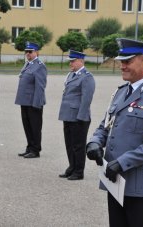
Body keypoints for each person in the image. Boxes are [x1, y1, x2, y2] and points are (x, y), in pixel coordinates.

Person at [86, 38, 143, 227]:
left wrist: (123, 162)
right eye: (121, 61)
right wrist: (94, 142)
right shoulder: (121, 92)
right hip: (115, 180)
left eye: (127, 61)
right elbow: (105, 125)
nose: (122, 66)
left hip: (139, 183)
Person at [58, 50, 95, 180]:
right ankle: (72, 167)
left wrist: (81, 117)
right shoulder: (71, 75)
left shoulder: (87, 77)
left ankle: (79, 171)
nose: (71, 63)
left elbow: (86, 99)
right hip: (68, 115)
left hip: (79, 117)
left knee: (78, 146)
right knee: (69, 144)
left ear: (81, 61)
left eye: (73, 61)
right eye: (70, 61)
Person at [15, 42, 47, 158]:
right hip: (25, 102)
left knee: (35, 127)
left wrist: (36, 103)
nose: (27, 54)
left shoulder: (39, 66)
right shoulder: (28, 64)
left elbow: (40, 86)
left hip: (34, 102)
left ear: (36, 52)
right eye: (26, 52)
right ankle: (29, 147)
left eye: (30, 51)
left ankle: (35, 150)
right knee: (27, 126)